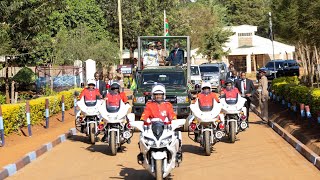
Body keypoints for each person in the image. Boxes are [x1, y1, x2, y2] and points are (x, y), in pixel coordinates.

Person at [139, 84, 182, 162]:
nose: (158, 96)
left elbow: (172, 115)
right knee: (142, 136)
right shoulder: (149, 105)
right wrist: (143, 120)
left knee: (177, 135)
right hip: (152, 128)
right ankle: (142, 155)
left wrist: (174, 121)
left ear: (164, 95)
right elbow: (145, 115)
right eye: (156, 95)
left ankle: (177, 154)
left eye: (160, 94)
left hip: (166, 128)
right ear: (153, 95)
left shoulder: (168, 105)